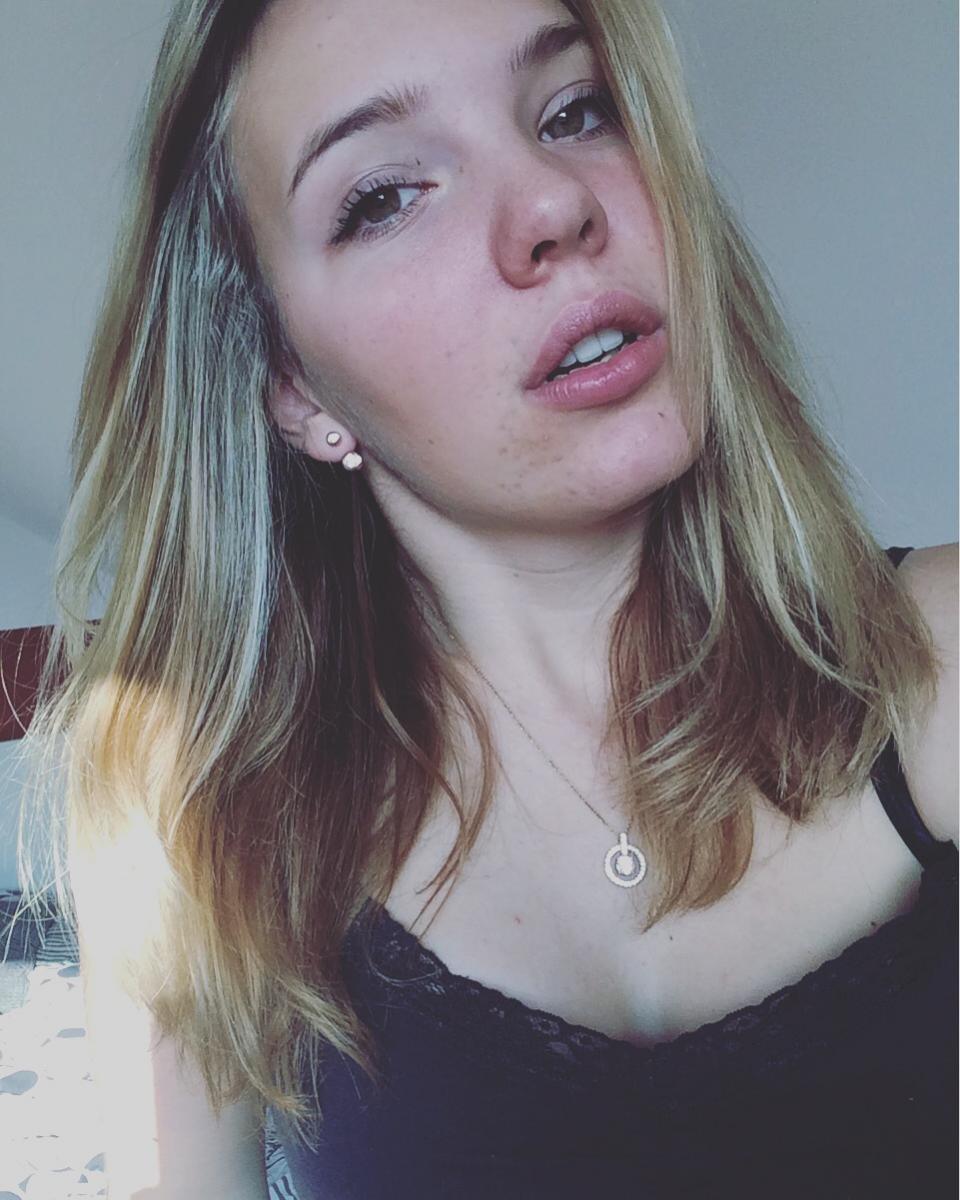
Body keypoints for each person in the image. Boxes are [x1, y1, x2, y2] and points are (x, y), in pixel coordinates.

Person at [15, 0, 957, 1196]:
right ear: (294, 387)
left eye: (575, 111)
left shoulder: (937, 651)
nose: (555, 205)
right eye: (384, 197)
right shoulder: (190, 808)